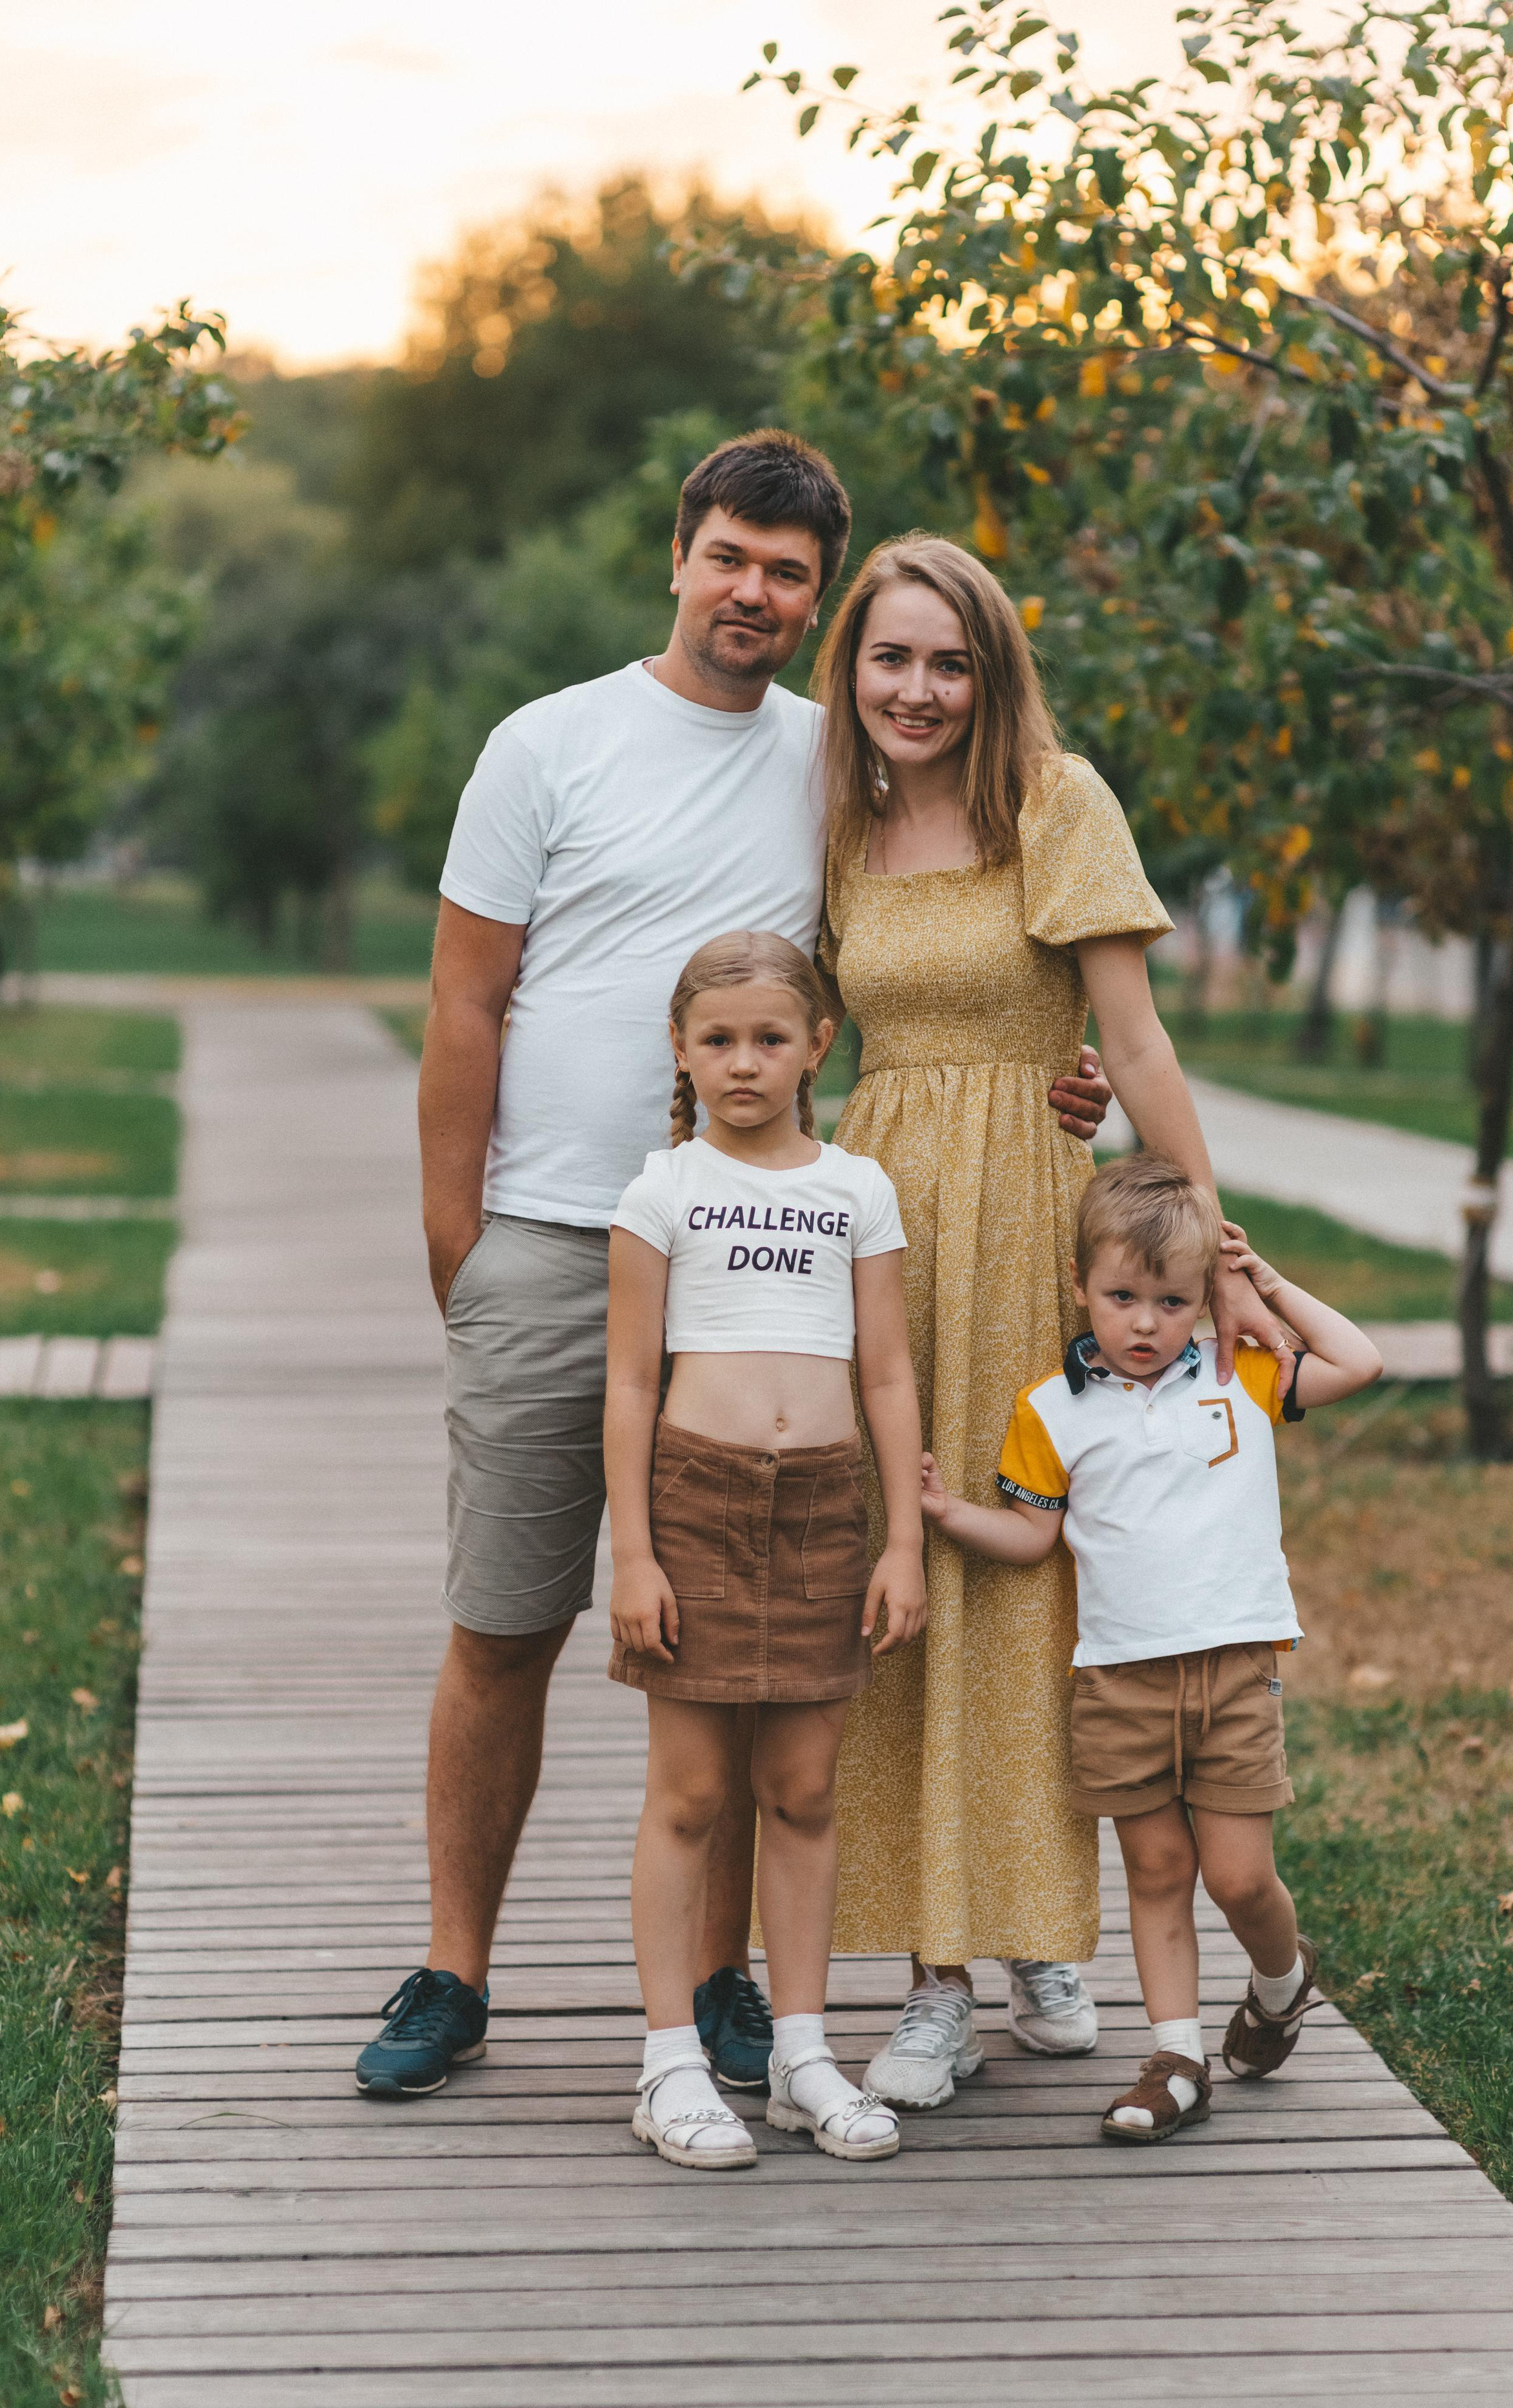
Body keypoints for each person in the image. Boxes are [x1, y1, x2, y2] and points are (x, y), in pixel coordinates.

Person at [352, 430, 1115, 2098]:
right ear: (678, 554)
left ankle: (714, 1989)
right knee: (505, 1617)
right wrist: (457, 1244)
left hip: (766, 1260)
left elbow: (941, 951)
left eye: (788, 573)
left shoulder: (836, 765)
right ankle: (452, 1968)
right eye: (730, 557)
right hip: (559, 1235)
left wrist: (1072, 1074)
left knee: (737, 1633)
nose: (753, 592)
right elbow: (464, 1003)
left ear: (816, 600)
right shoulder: (546, 745)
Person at [809, 534, 1289, 2112]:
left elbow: (1132, 1045)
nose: (919, 690)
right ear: (853, 669)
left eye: (949, 661)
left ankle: (1038, 1935)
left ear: (992, 671)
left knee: (1033, 1576)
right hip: (875, 1233)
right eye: (891, 658)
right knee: (902, 1559)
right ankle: (930, 1975)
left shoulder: (1056, 805)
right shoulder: (831, 821)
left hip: (1029, 1224)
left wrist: (1208, 1245)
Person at [920, 1151, 1382, 2140]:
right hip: (1118, 1677)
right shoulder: (1053, 1408)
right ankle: (1175, 2060)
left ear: (1200, 1301)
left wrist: (1258, 1284)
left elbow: (1361, 1363)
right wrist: (950, 1514)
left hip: (1232, 1670)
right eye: (1121, 1296)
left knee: (1240, 1878)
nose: (1142, 1323)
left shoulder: (1239, 1374)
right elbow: (1034, 1535)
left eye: (1171, 1301)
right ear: (1081, 1286)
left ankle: (1280, 1979)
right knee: (1160, 1872)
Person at [608, 932, 924, 2167]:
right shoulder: (661, 1192)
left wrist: (902, 1540)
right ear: (683, 1051)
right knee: (690, 1795)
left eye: (772, 1039)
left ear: (818, 1046)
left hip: (826, 1511)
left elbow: (889, 1373)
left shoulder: (858, 1189)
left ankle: (800, 2056)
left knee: (800, 1791)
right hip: (696, 1504)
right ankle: (669, 2064)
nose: (746, 1063)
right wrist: (634, 1554)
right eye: (719, 1040)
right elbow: (630, 1386)